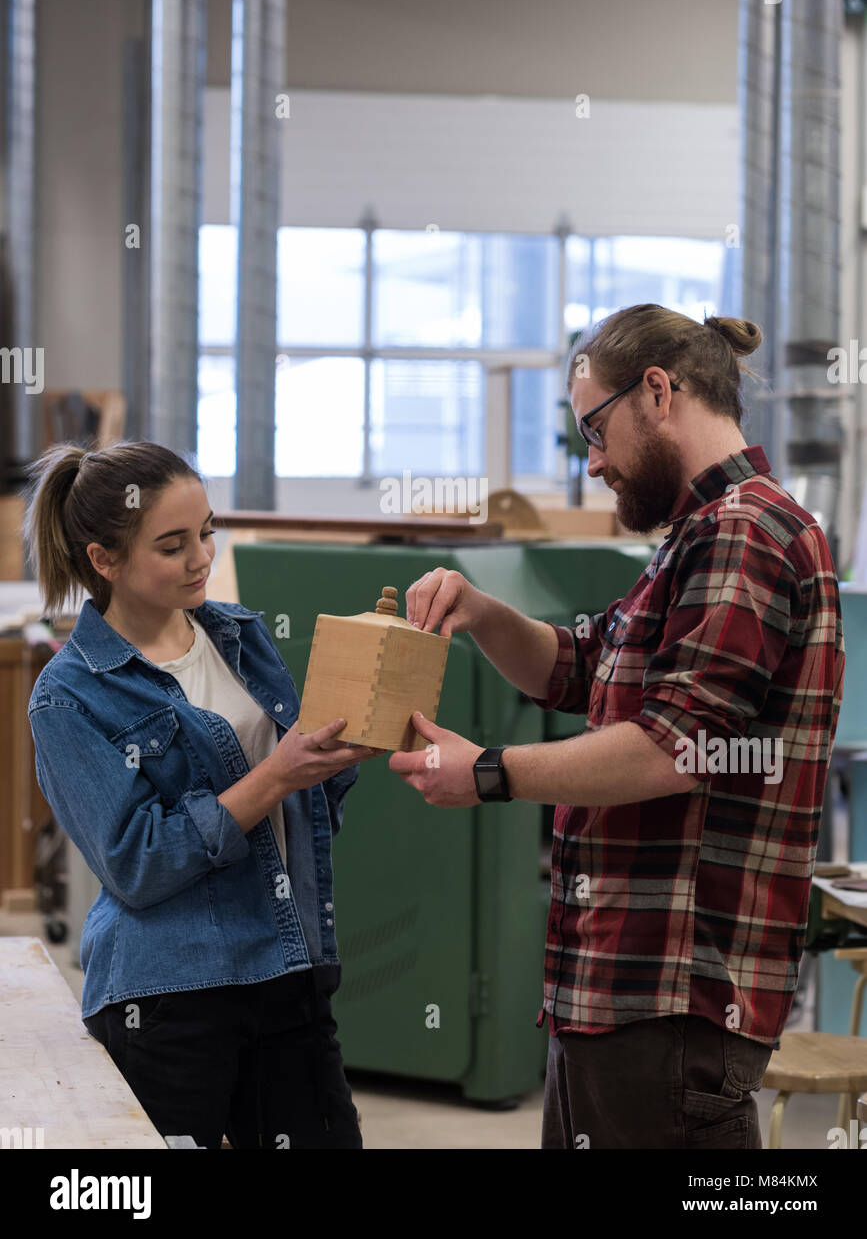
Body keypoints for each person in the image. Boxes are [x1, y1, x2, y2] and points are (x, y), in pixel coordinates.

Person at [389, 303, 845, 1150]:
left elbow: (672, 746)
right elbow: (578, 666)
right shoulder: (695, 536)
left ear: (658, 391)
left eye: (594, 432)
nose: (592, 462)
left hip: (673, 989)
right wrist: (485, 613)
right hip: (619, 987)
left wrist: (487, 772)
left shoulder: (745, 532)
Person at [22, 440, 382, 1149]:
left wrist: (342, 749)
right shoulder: (66, 697)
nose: (201, 557)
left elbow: (309, 805)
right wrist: (277, 773)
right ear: (105, 560)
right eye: (172, 544)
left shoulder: (239, 635)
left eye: (207, 532)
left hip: (290, 965)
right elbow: (138, 864)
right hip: (171, 999)